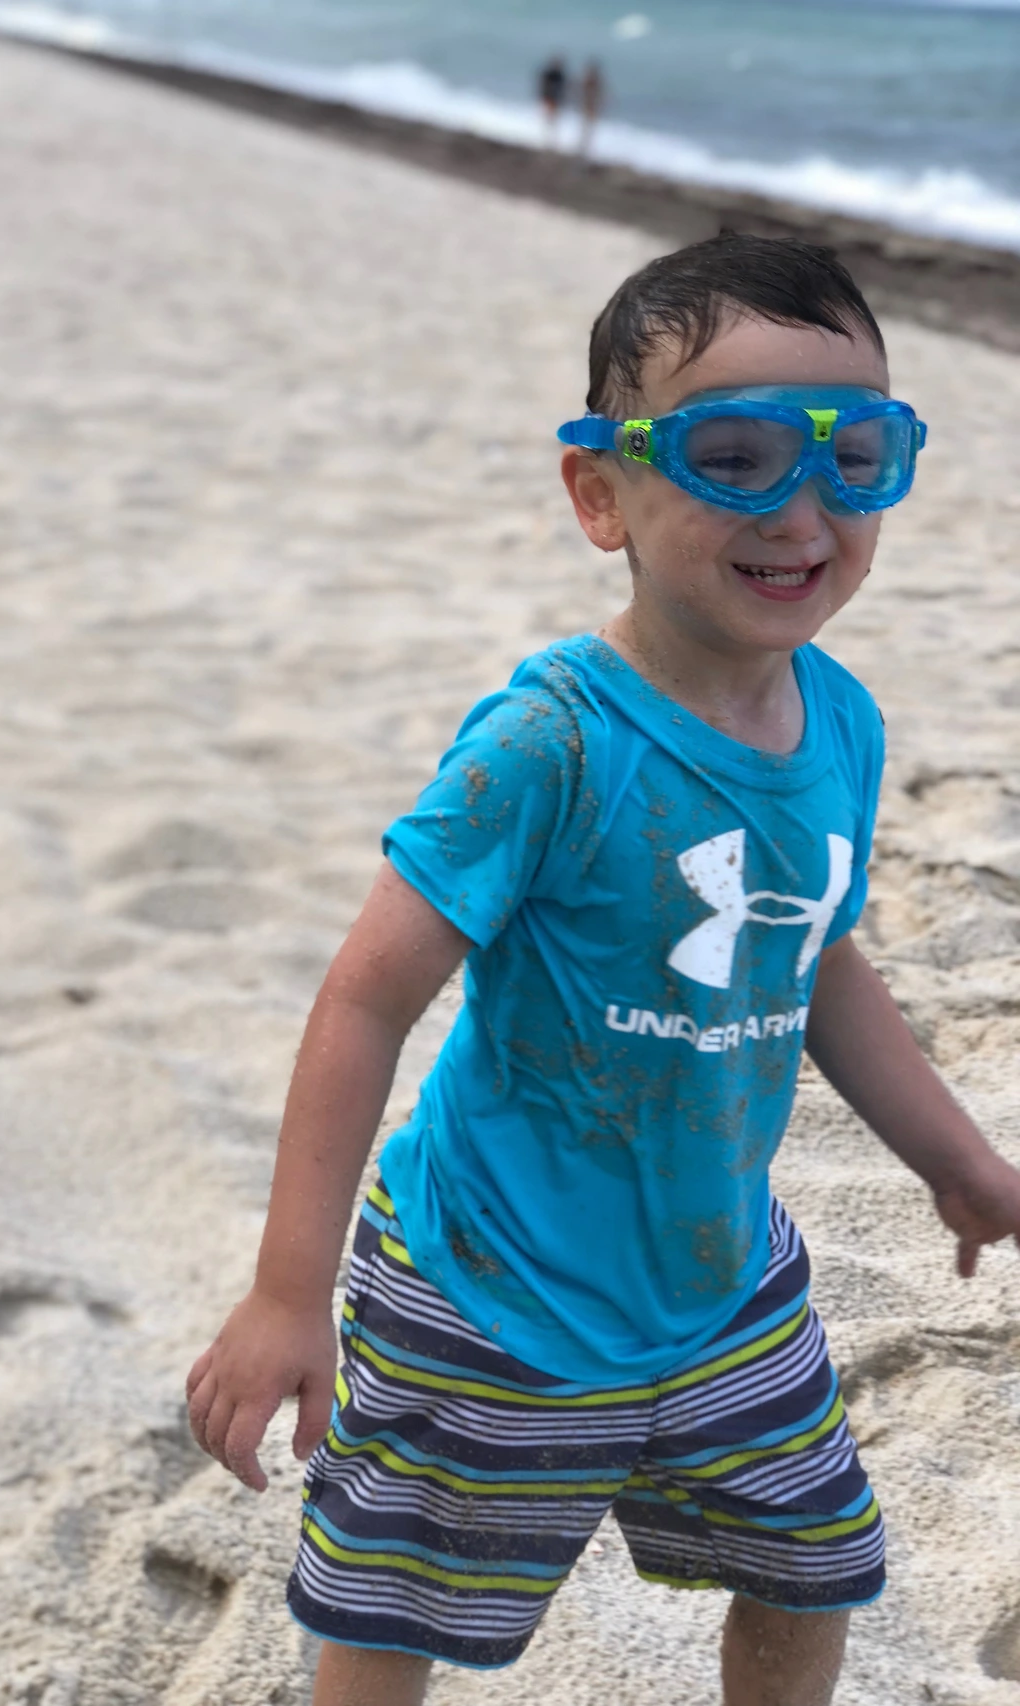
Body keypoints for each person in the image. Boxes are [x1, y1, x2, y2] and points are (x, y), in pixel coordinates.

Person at [186, 233, 1020, 1706]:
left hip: (720, 1283)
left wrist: (958, 1161)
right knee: (396, 1603)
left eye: (855, 458)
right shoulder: (550, 742)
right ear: (601, 493)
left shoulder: (839, 721)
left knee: (813, 1562)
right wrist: (284, 1290)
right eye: (734, 456)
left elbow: (817, 958)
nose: (801, 509)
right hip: (491, 1292)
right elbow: (367, 996)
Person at [537, 55, 567, 148]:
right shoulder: (549, 74)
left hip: (555, 101)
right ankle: (545, 139)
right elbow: (543, 86)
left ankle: (551, 140)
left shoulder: (560, 76)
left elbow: (562, 90)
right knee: (547, 120)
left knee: (553, 122)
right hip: (548, 99)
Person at [579, 58, 604, 157]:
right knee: (585, 130)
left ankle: (587, 149)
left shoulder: (594, 83)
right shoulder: (588, 83)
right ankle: (584, 149)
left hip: (591, 109)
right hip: (588, 108)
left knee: (589, 131)